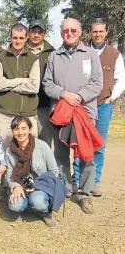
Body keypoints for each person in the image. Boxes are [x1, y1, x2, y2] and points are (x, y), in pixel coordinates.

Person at [43, 18, 102, 214]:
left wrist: (79, 96)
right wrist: (64, 94)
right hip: (60, 113)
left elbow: (96, 83)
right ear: (61, 33)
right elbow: (47, 84)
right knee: (60, 154)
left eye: (73, 30)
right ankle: (65, 189)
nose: (69, 33)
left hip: (85, 113)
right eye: (66, 30)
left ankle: (85, 194)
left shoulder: (90, 54)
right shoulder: (54, 56)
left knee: (87, 155)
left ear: (80, 32)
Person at [72, 18, 125, 197]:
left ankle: (95, 181)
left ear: (106, 32)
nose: (98, 34)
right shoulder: (82, 51)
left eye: (101, 31)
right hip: (83, 106)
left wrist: (111, 98)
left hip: (103, 105)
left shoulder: (114, 54)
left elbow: (121, 79)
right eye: (95, 31)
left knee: (99, 144)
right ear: (89, 32)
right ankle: (77, 179)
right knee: (80, 143)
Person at [6, 115, 62, 227]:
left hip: (41, 185)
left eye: (23, 128)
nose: (20, 132)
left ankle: (44, 212)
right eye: (16, 129)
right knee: (15, 205)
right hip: (21, 184)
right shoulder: (10, 150)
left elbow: (54, 171)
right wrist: (16, 186)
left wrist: (35, 186)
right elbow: (9, 174)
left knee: (38, 202)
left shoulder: (42, 146)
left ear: (29, 129)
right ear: (12, 131)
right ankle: (25, 207)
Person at [0, 23, 40, 148]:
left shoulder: (33, 59)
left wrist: (7, 83)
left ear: (26, 38)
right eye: (15, 38)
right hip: (4, 114)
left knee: (30, 152)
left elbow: (34, 87)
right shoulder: (0, 58)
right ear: (10, 38)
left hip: (28, 113)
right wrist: (20, 80)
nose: (18, 41)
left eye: (21, 38)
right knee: (2, 152)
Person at [27, 19, 55, 146]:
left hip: (45, 105)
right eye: (34, 31)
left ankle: (45, 166)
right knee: (26, 142)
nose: (36, 35)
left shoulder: (52, 53)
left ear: (45, 33)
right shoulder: (20, 50)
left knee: (45, 143)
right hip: (25, 103)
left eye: (40, 32)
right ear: (28, 32)